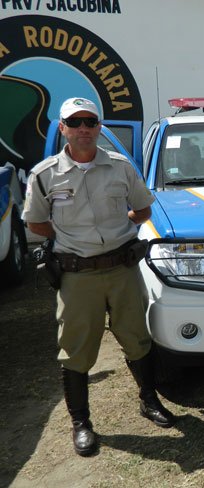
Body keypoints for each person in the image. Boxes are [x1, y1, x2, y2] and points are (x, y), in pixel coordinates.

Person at [22, 97, 176, 457]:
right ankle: (81, 423)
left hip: (122, 269)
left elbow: (143, 208)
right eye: (75, 123)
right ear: (62, 128)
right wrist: (72, 239)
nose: (83, 129)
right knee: (76, 349)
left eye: (90, 121)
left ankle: (148, 399)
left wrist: (121, 229)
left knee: (137, 337)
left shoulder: (121, 168)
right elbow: (35, 222)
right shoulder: (44, 175)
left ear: (99, 126)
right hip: (78, 276)